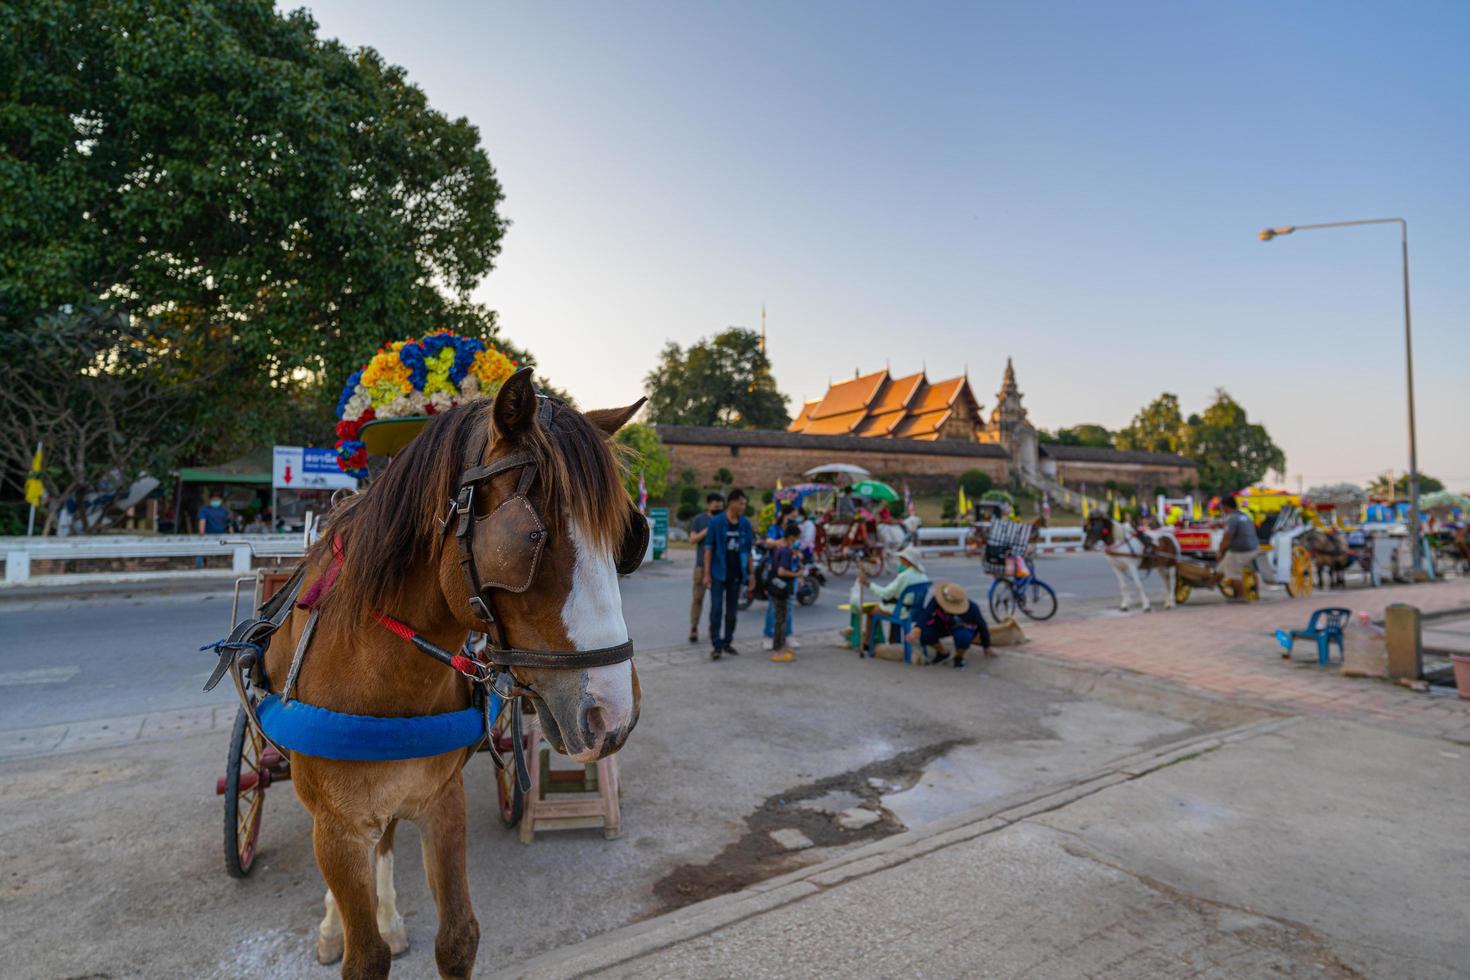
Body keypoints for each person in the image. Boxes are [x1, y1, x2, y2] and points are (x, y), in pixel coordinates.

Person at [704, 488, 755, 660]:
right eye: (741, 503)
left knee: (732, 612)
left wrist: (751, 574)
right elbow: (708, 549)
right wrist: (706, 574)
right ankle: (717, 645)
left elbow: (748, 550)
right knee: (716, 609)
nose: (743, 506)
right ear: (732, 502)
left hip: (736, 574)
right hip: (718, 573)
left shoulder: (745, 524)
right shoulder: (716, 522)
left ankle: (727, 642)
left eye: (744, 503)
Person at [907, 581, 993, 669]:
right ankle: (943, 653)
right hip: (941, 624)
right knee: (925, 633)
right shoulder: (936, 600)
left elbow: (982, 626)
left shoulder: (973, 608)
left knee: (964, 637)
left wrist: (986, 645)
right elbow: (926, 614)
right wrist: (917, 629)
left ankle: (959, 657)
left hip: (961, 627)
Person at [859, 546, 930, 646]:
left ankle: (867, 643)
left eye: (901, 560)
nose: (899, 563)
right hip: (916, 611)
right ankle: (894, 641)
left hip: (903, 611)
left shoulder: (904, 576)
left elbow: (886, 593)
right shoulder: (923, 576)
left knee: (872, 612)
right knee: (895, 607)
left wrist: (869, 584)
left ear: (907, 561)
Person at [688, 492, 724, 643]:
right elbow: (692, 539)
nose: (718, 506)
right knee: (697, 598)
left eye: (720, 504)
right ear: (709, 504)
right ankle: (694, 627)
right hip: (701, 566)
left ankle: (713, 627)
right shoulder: (699, 519)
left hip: (718, 567)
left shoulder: (724, 520)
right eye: (716, 504)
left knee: (717, 601)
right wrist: (708, 529)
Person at [767, 523, 804, 663]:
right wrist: (796, 574)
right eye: (797, 537)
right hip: (781, 588)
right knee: (780, 620)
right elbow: (781, 571)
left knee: (780, 618)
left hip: (776, 586)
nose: (797, 540)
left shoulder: (779, 548)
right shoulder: (787, 551)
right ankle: (778, 651)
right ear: (791, 537)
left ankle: (781, 647)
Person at [1216, 495, 1260, 599]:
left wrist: (1220, 552)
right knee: (1220, 569)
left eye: (1222, 507)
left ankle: (1240, 597)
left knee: (1232, 572)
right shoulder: (1243, 515)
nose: (1222, 510)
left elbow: (1227, 538)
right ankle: (1213, 581)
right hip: (1252, 548)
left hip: (1241, 551)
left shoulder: (1232, 518)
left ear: (1226, 507)